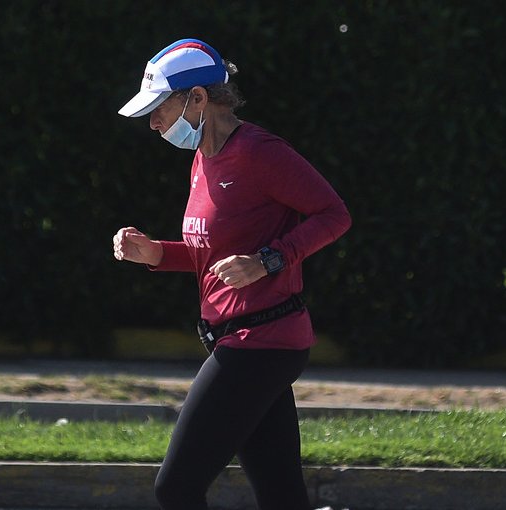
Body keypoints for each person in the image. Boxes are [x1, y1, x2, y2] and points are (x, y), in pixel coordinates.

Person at [112, 38, 352, 510]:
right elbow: (212, 255)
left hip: (261, 342)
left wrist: (269, 260)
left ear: (198, 98)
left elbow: (334, 214)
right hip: (240, 340)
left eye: (161, 107)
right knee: (282, 497)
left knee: (176, 488)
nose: (153, 121)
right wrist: (154, 253)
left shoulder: (261, 152)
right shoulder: (203, 159)